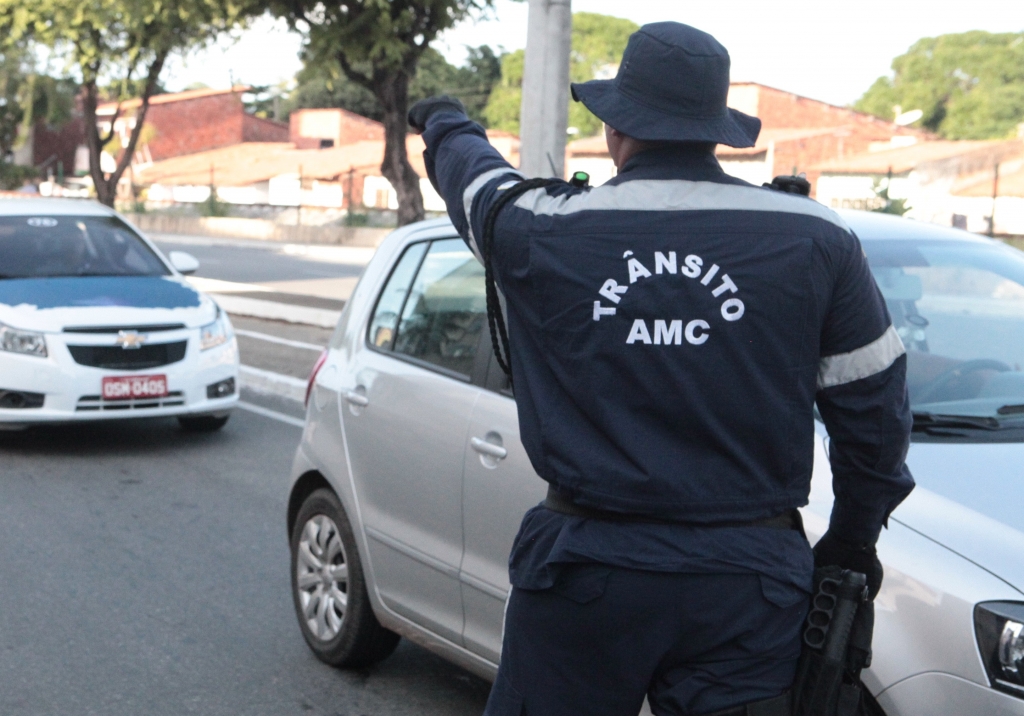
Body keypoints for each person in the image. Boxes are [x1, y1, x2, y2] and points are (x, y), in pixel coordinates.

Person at [408, 21, 914, 716]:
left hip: (585, 573)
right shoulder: (816, 239)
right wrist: (853, 542)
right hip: (752, 587)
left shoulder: (544, 228)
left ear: (616, 131)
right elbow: (877, 419)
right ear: (716, 131)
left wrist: (442, 122)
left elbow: (476, 181)